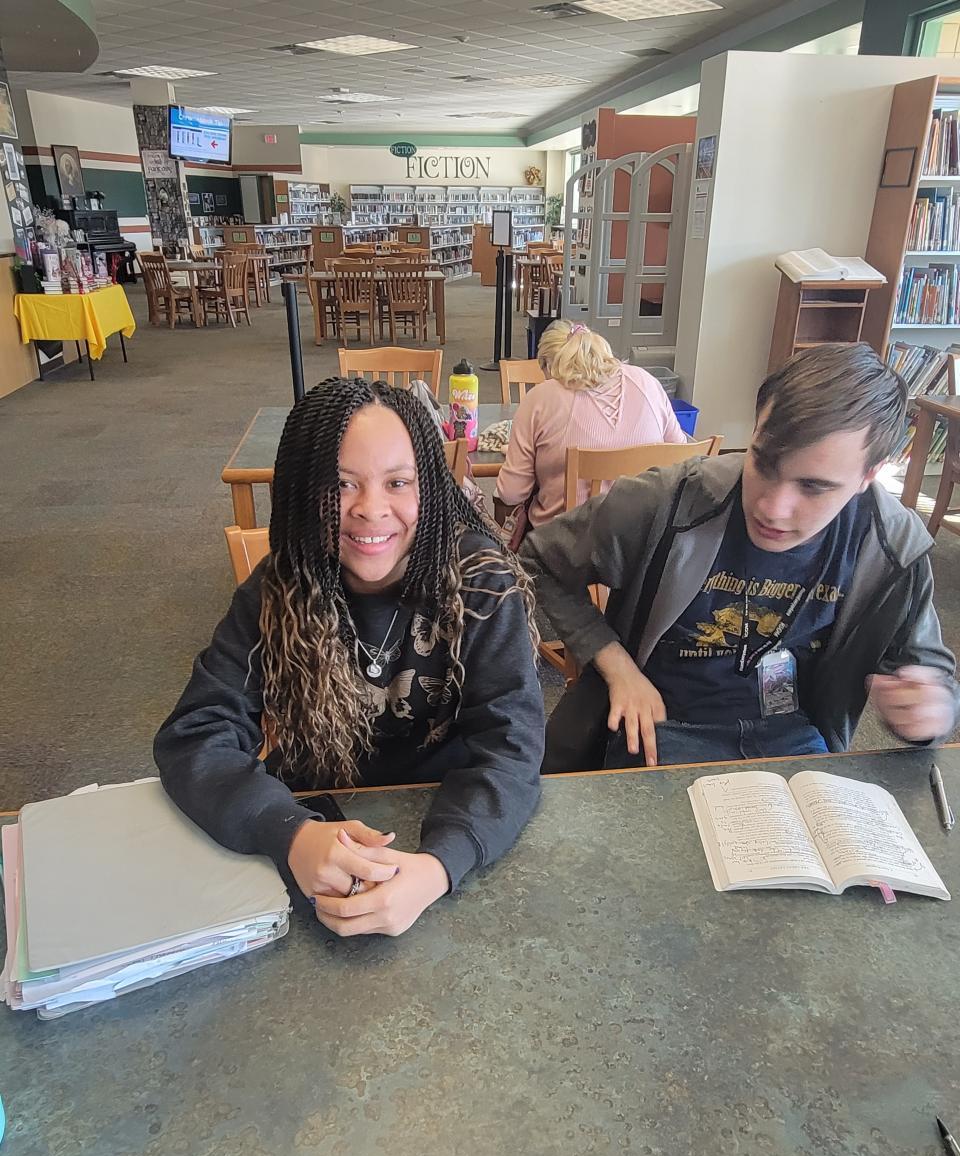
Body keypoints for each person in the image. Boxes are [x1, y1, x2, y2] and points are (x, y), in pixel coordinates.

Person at [155, 377, 544, 936]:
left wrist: (440, 865)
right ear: (303, 490)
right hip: (310, 819)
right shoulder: (280, 590)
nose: (371, 509)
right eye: (342, 485)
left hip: (452, 817)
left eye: (398, 482)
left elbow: (512, 745)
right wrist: (288, 831)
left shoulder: (481, 584)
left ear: (429, 488)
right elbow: (196, 734)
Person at [522, 342, 959, 772]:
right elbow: (537, 561)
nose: (772, 508)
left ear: (869, 475)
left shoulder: (893, 545)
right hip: (662, 726)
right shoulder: (668, 499)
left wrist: (930, 709)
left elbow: (928, 669)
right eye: (763, 463)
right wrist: (619, 669)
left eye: (813, 487)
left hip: (794, 737)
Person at [493, 320, 687, 530]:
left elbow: (510, 493)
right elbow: (682, 456)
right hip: (644, 538)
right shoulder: (648, 383)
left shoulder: (541, 397)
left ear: (549, 365)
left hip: (564, 542)